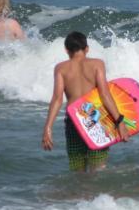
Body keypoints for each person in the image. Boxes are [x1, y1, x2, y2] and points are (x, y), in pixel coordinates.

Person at [42, 31, 129, 172]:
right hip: (95, 119)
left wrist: (48, 128)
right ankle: (97, 194)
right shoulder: (97, 64)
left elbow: (57, 99)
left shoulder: (61, 68)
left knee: (77, 170)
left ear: (66, 50)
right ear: (87, 48)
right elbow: (104, 94)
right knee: (98, 168)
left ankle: (79, 194)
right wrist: (119, 121)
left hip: (74, 121)